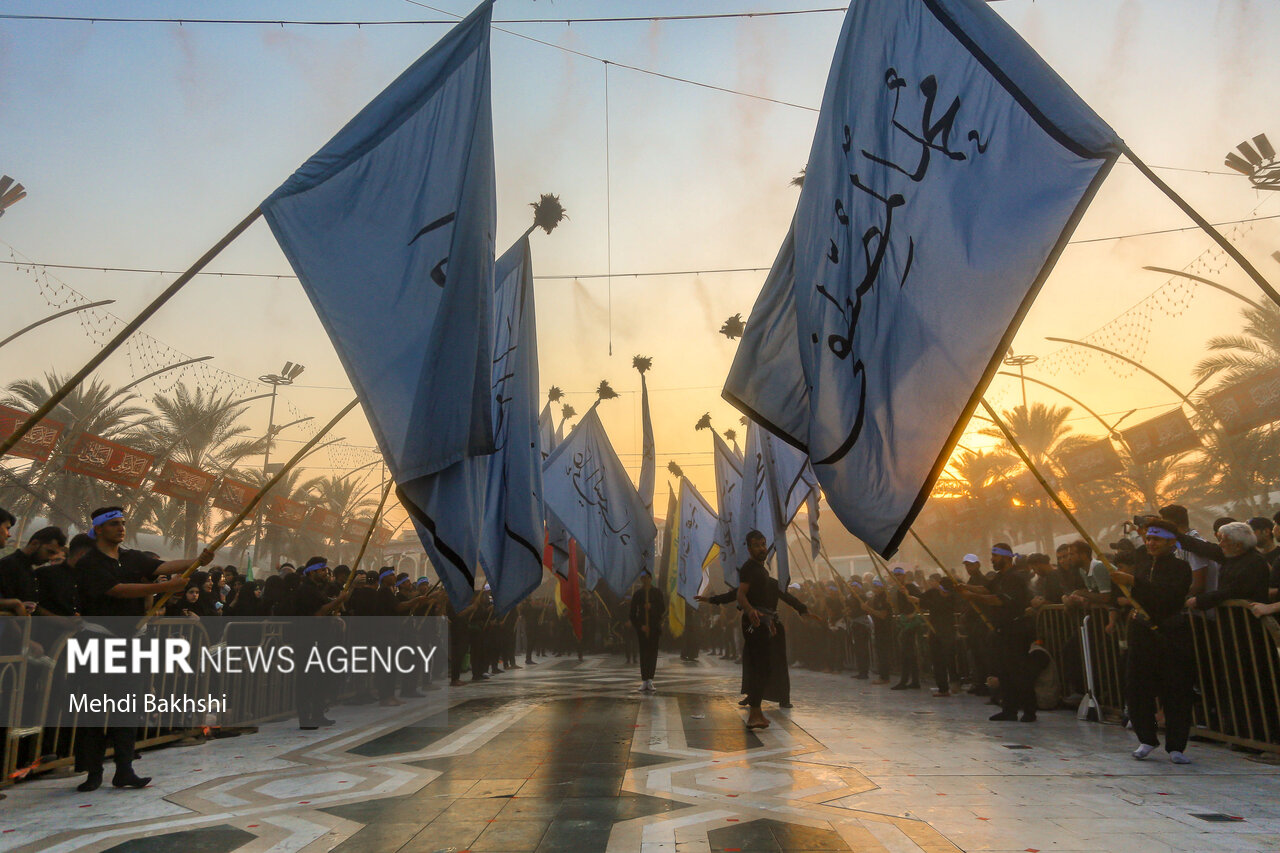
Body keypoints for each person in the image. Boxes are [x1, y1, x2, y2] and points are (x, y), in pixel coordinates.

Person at [74, 506, 212, 791]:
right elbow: (116, 589)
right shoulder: (89, 563)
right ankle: (93, 772)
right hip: (98, 642)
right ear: (98, 529)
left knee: (127, 707)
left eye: (123, 523)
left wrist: (198, 560)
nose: (120, 528)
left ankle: (125, 769)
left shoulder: (132, 557)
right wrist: (161, 589)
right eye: (113, 524)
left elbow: (161, 567)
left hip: (132, 643)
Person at [1110, 521, 1193, 764]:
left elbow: (1169, 596)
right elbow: (1136, 596)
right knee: (1137, 687)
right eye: (1148, 539)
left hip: (1170, 633)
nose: (1151, 543)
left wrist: (1135, 583)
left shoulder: (1181, 568)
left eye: (1157, 539)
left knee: (1176, 690)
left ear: (1170, 542)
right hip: (1142, 633)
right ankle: (1146, 738)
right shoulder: (1143, 566)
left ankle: (1176, 746)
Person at [730, 530, 811, 730]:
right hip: (756, 624)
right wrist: (751, 611)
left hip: (765, 624)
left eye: (764, 544)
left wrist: (802, 610)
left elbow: (781, 596)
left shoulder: (762, 573)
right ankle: (754, 714)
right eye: (757, 545)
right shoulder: (750, 569)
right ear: (749, 549)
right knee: (760, 668)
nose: (762, 548)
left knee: (764, 668)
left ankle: (757, 713)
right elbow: (741, 595)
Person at [960, 543, 1036, 722]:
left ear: (1006, 557)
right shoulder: (1000, 577)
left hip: (1016, 630)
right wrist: (965, 587)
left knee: (1019, 672)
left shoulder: (1014, 578)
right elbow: (987, 589)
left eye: (995, 556)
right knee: (1004, 672)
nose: (992, 559)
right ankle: (1008, 709)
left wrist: (973, 597)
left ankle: (1029, 711)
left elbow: (1000, 600)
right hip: (1001, 630)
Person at [629, 571, 665, 693]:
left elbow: (662, 609)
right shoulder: (638, 594)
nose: (645, 580)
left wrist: (652, 607)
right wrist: (640, 626)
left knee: (652, 654)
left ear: (651, 578)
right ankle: (644, 679)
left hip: (654, 628)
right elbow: (632, 614)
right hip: (643, 629)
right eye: (642, 578)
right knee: (644, 654)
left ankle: (650, 679)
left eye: (647, 578)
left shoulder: (657, 593)